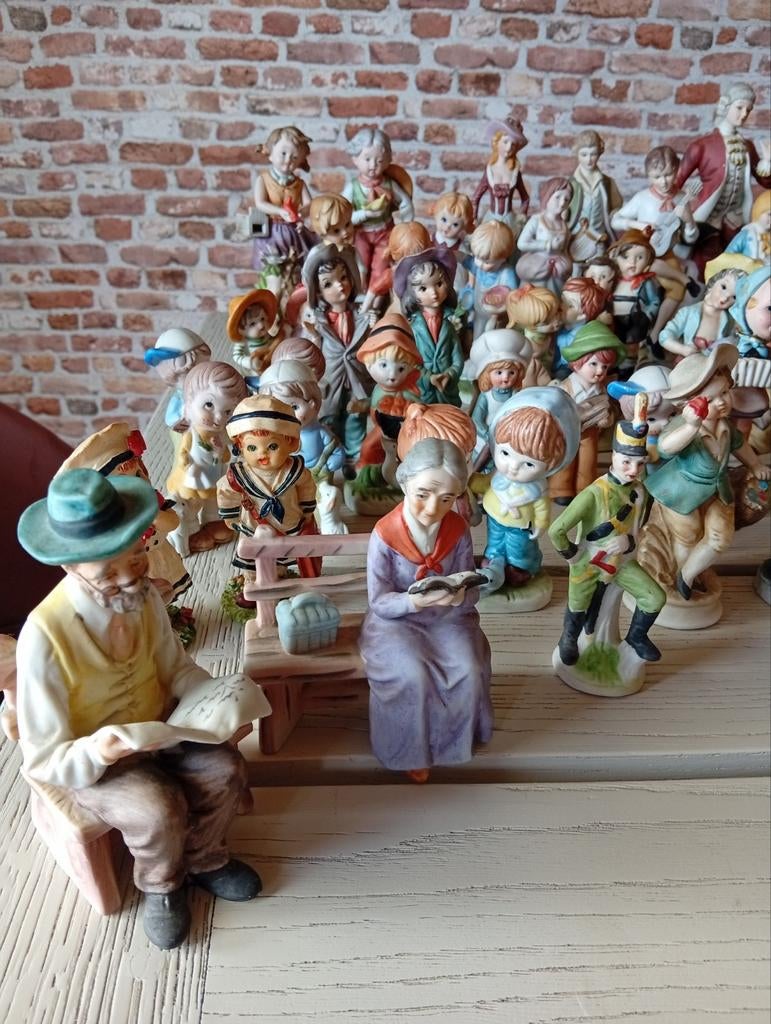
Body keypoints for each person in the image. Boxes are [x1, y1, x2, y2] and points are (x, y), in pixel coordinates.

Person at [15, 469, 265, 949]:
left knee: (225, 769)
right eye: (109, 572)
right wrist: (100, 749)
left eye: (136, 557)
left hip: (164, 728)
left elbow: (176, 668)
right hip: (100, 763)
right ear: (70, 566)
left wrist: (214, 701)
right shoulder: (44, 636)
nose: (130, 576)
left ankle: (206, 858)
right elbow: (43, 759)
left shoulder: (144, 597)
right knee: (156, 807)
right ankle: (162, 885)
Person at [358, 438, 493, 783]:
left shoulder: (458, 530)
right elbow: (379, 600)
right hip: (396, 622)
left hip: (448, 618)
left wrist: (458, 596)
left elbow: (467, 583)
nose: (433, 507)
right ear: (405, 484)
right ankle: (410, 752)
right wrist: (414, 601)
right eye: (423, 494)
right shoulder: (384, 534)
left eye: (446, 498)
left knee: (467, 667)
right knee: (411, 673)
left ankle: (451, 744)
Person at [549, 409, 666, 667]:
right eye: (627, 462)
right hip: (590, 562)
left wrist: (628, 543)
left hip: (621, 562)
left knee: (655, 597)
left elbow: (639, 529)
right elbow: (556, 530)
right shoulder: (593, 494)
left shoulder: (641, 493)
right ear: (614, 456)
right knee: (578, 604)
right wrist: (573, 555)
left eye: (640, 463)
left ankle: (637, 636)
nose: (634, 470)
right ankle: (569, 638)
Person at [674, 82, 771, 274]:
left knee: (737, 261)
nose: (743, 114)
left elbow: (764, 182)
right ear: (725, 105)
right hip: (709, 217)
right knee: (705, 262)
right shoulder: (702, 146)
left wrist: (767, 163)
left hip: (736, 217)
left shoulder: (747, 146)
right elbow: (676, 182)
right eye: (739, 108)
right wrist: (681, 208)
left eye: (748, 110)